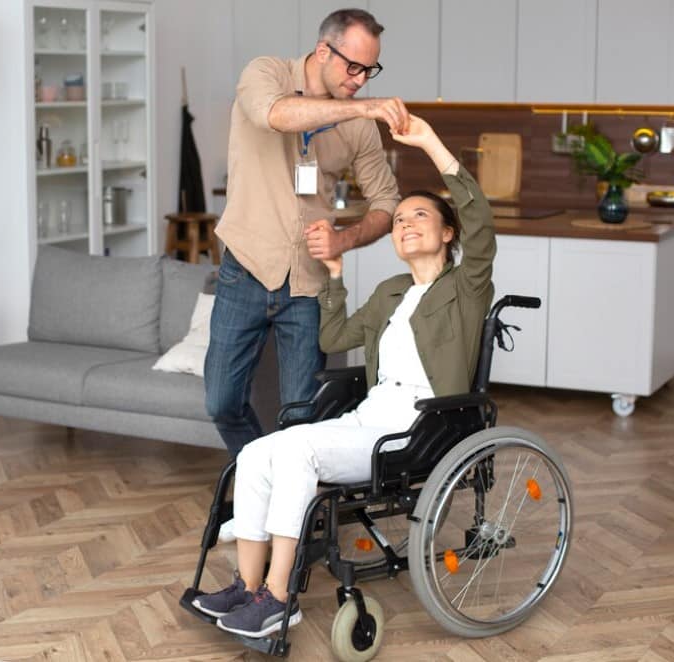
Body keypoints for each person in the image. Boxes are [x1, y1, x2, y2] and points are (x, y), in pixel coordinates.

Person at [191, 115, 497, 638]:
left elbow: (481, 220)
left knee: (297, 452)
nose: (404, 224)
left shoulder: (464, 288)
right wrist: (335, 276)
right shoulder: (392, 292)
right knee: (259, 451)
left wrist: (427, 142)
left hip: (421, 425)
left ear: (449, 233)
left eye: (419, 215)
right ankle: (247, 587)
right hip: (371, 415)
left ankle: (279, 597)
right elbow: (334, 340)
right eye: (398, 219)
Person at [205, 8, 409, 459]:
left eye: (369, 69)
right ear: (322, 50)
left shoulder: (358, 124)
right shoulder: (266, 73)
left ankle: (293, 511)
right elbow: (276, 115)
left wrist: (345, 240)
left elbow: (387, 203)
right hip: (245, 271)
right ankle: (266, 475)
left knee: (301, 418)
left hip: (309, 283)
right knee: (220, 403)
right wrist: (367, 107)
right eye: (352, 66)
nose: (360, 79)